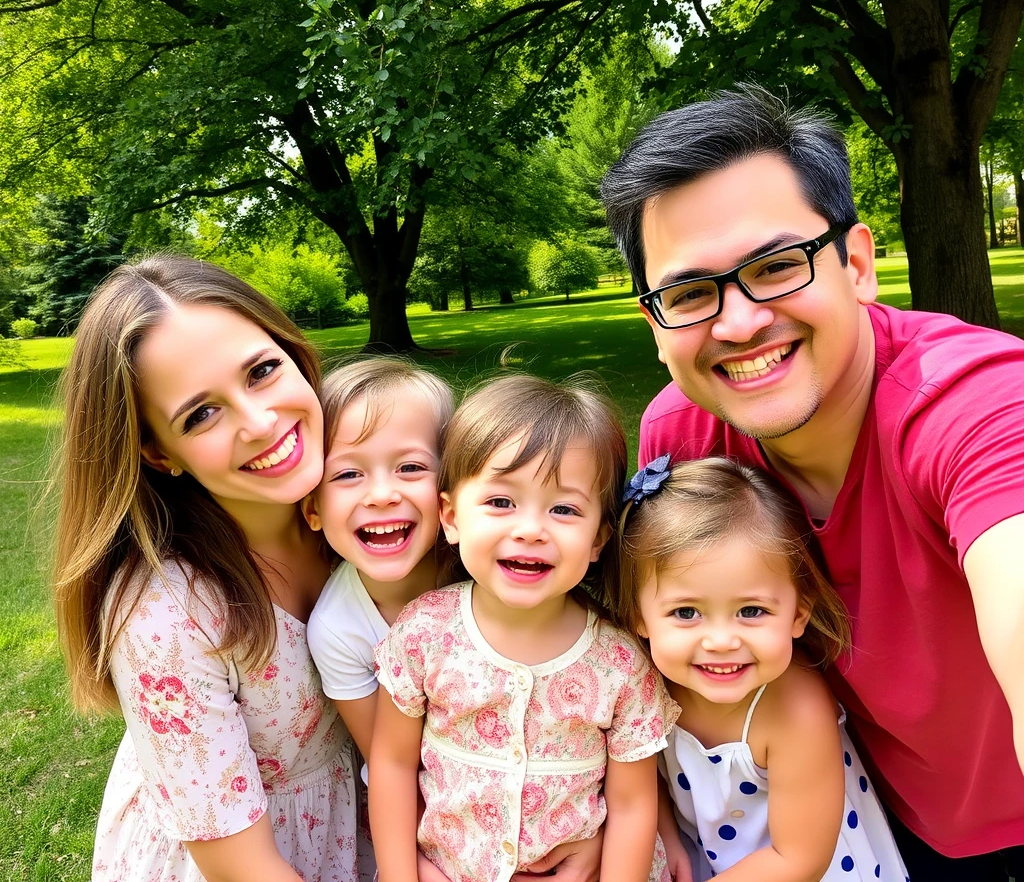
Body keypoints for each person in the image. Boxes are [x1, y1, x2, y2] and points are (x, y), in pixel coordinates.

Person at [600, 84, 1024, 879]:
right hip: (875, 815)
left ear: (856, 264)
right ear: (654, 324)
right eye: (689, 292)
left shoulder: (977, 405)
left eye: (775, 265)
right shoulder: (682, 439)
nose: (738, 322)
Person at [52, 256, 370, 882]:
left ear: (293, 352)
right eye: (200, 414)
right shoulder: (164, 619)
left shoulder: (363, 512)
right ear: (158, 453)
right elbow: (245, 871)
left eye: (261, 371)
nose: (259, 423)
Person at [369, 376, 678, 882]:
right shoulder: (424, 634)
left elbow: (632, 806)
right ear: (450, 517)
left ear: (599, 537)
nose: (531, 529)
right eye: (501, 502)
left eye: (564, 509)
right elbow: (392, 766)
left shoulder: (620, 665)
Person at [615, 455, 907, 882]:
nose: (720, 641)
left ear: (797, 614)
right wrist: (667, 835)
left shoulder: (795, 711)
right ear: (639, 617)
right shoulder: (648, 683)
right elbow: (640, 773)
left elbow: (798, 860)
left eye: (751, 610)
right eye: (685, 612)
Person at [304, 356, 455, 764]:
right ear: (312, 509)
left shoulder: (484, 571)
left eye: (410, 467)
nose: (381, 494)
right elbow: (392, 765)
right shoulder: (340, 630)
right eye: (348, 474)